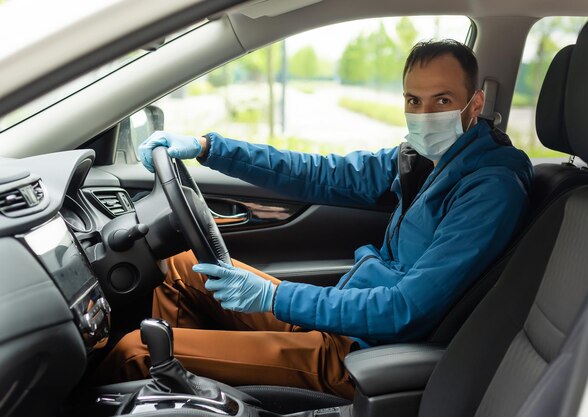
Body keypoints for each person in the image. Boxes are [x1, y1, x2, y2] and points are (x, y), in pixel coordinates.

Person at [97, 39, 533, 398]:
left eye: (442, 100)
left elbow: (404, 309)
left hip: (362, 352)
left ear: (474, 104)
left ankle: (183, 377)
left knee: (137, 350)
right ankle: (194, 396)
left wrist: (274, 298)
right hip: (343, 315)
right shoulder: (423, 158)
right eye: (413, 100)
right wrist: (211, 148)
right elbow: (318, 173)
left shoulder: (490, 188)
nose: (423, 115)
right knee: (182, 265)